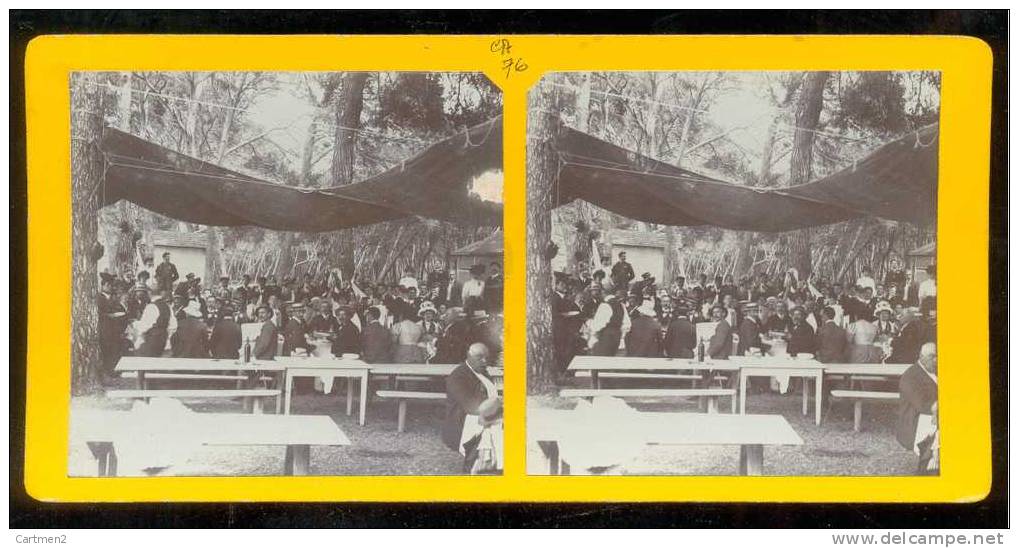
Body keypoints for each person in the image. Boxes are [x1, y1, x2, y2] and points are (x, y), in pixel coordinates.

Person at [442, 343, 501, 473]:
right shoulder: (458, 376)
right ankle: (474, 466)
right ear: (469, 356)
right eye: (480, 357)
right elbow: (471, 406)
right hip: (461, 422)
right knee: (497, 424)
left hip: (481, 415)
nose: (484, 361)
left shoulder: (481, 372)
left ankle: (494, 462)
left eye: (486, 357)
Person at [896, 342, 938, 474]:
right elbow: (922, 405)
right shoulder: (911, 376)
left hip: (932, 416)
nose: (936, 360)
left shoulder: (933, 370)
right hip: (914, 423)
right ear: (921, 356)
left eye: (937, 356)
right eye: (932, 357)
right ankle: (929, 465)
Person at [98, 273, 128, 379]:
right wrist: (109, 315)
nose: (111, 287)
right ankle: (108, 371)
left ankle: (115, 370)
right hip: (104, 329)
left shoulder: (113, 298)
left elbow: (121, 310)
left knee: (115, 349)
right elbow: (98, 313)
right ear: (104, 285)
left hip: (115, 329)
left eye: (112, 285)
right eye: (109, 285)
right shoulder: (99, 298)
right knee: (107, 350)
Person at [135, 287, 175, 357]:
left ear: (149, 293)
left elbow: (144, 326)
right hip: (163, 338)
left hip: (152, 339)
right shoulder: (168, 307)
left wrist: (135, 326)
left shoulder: (151, 307)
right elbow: (173, 325)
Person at [589, 288, 630, 357]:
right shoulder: (621, 305)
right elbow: (627, 324)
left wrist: (593, 336)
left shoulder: (605, 305)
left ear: (603, 293)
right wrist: (621, 335)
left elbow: (598, 325)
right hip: (617, 336)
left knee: (601, 360)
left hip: (606, 336)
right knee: (611, 359)